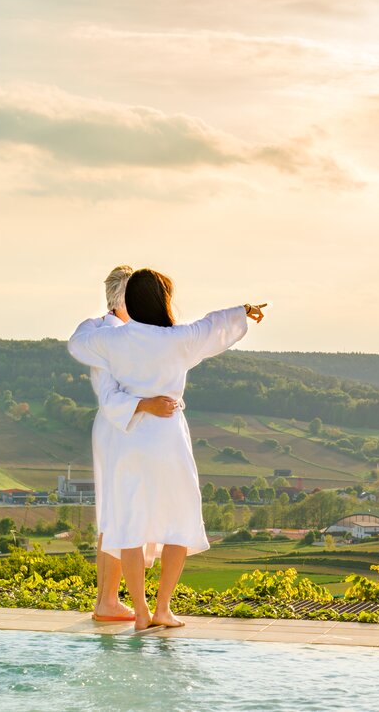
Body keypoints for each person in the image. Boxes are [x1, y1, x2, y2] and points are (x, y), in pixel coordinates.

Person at [68, 269, 265, 629]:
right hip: (167, 438)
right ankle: (163, 608)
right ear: (162, 301)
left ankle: (141, 612)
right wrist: (243, 311)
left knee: (129, 524)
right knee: (179, 520)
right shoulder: (179, 339)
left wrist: (104, 320)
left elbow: (78, 343)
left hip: (128, 440)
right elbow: (213, 326)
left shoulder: (113, 340)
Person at [80, 265, 180, 622]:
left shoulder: (105, 332)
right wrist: (148, 404)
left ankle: (107, 599)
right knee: (118, 513)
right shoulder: (113, 336)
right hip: (119, 428)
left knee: (117, 511)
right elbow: (109, 396)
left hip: (121, 427)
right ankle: (107, 600)